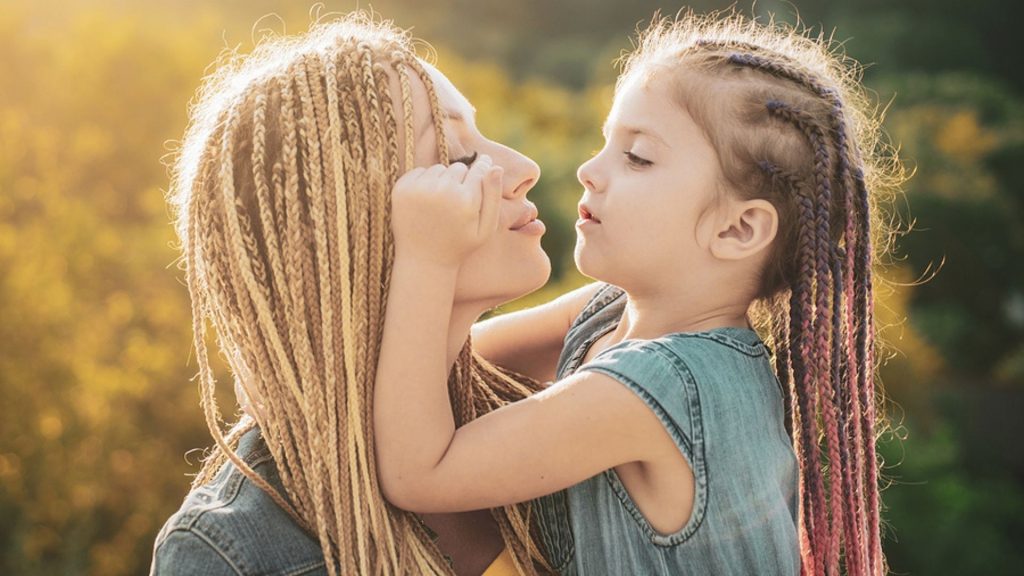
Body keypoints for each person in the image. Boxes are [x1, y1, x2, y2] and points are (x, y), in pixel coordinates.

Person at [374, 11, 901, 576]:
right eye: (605, 144)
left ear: (736, 230)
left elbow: (418, 473)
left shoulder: (658, 384)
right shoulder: (612, 308)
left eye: (638, 157)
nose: (588, 171)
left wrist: (427, 257)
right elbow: (460, 362)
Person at [150, 13, 563, 576]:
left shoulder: (543, 411)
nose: (523, 168)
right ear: (343, 229)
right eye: (460, 159)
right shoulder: (234, 552)